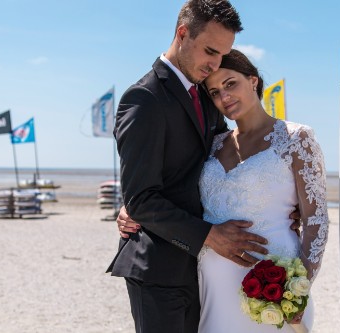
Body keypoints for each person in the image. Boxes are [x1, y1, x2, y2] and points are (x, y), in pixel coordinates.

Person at [108, 1, 299, 332]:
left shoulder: (207, 98)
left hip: (202, 272)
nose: (215, 64)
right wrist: (209, 235)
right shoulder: (143, 99)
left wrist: (284, 204)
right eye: (210, 51)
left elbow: (229, 162)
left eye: (222, 56)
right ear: (182, 34)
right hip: (158, 269)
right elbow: (141, 198)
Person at [194, 49, 329, 332]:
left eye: (230, 83)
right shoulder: (213, 145)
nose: (224, 97)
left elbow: (316, 219)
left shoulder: (296, 138)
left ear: (252, 80)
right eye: (215, 92)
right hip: (211, 287)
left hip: (271, 289)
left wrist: (297, 288)